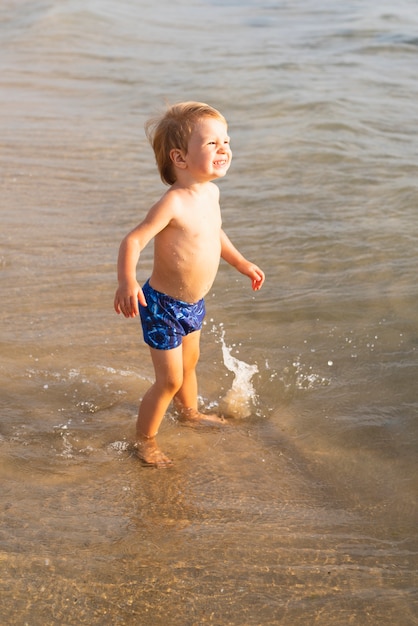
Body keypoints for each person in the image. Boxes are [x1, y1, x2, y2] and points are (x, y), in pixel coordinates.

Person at [114, 101, 265, 467]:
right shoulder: (173, 203)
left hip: (193, 303)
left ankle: (191, 414)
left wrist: (241, 262)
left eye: (226, 141)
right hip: (162, 306)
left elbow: (215, 234)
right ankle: (145, 442)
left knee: (191, 364)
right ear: (179, 159)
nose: (224, 148)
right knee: (168, 380)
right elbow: (133, 240)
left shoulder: (210, 194)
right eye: (212, 143)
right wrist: (127, 282)